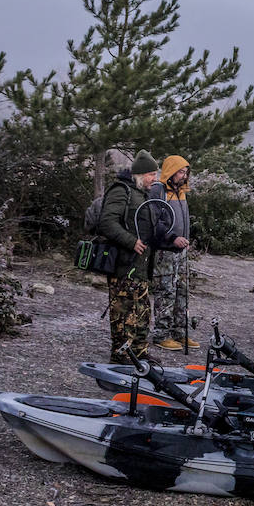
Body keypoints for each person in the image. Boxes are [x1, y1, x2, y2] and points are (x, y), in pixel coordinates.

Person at [96, 149, 172, 364]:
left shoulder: (142, 193)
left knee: (141, 310)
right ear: (139, 174)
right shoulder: (121, 191)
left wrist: (169, 239)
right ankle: (121, 354)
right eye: (150, 175)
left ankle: (139, 351)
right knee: (123, 311)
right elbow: (107, 223)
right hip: (123, 263)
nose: (154, 179)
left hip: (141, 266)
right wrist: (131, 241)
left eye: (155, 174)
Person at [149, 155, 196, 352]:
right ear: (170, 170)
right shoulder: (158, 190)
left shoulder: (181, 192)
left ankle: (180, 332)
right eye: (180, 171)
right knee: (165, 291)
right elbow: (153, 220)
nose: (183, 176)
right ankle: (161, 335)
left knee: (182, 292)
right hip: (164, 251)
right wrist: (172, 237)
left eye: (185, 172)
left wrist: (185, 239)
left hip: (181, 252)